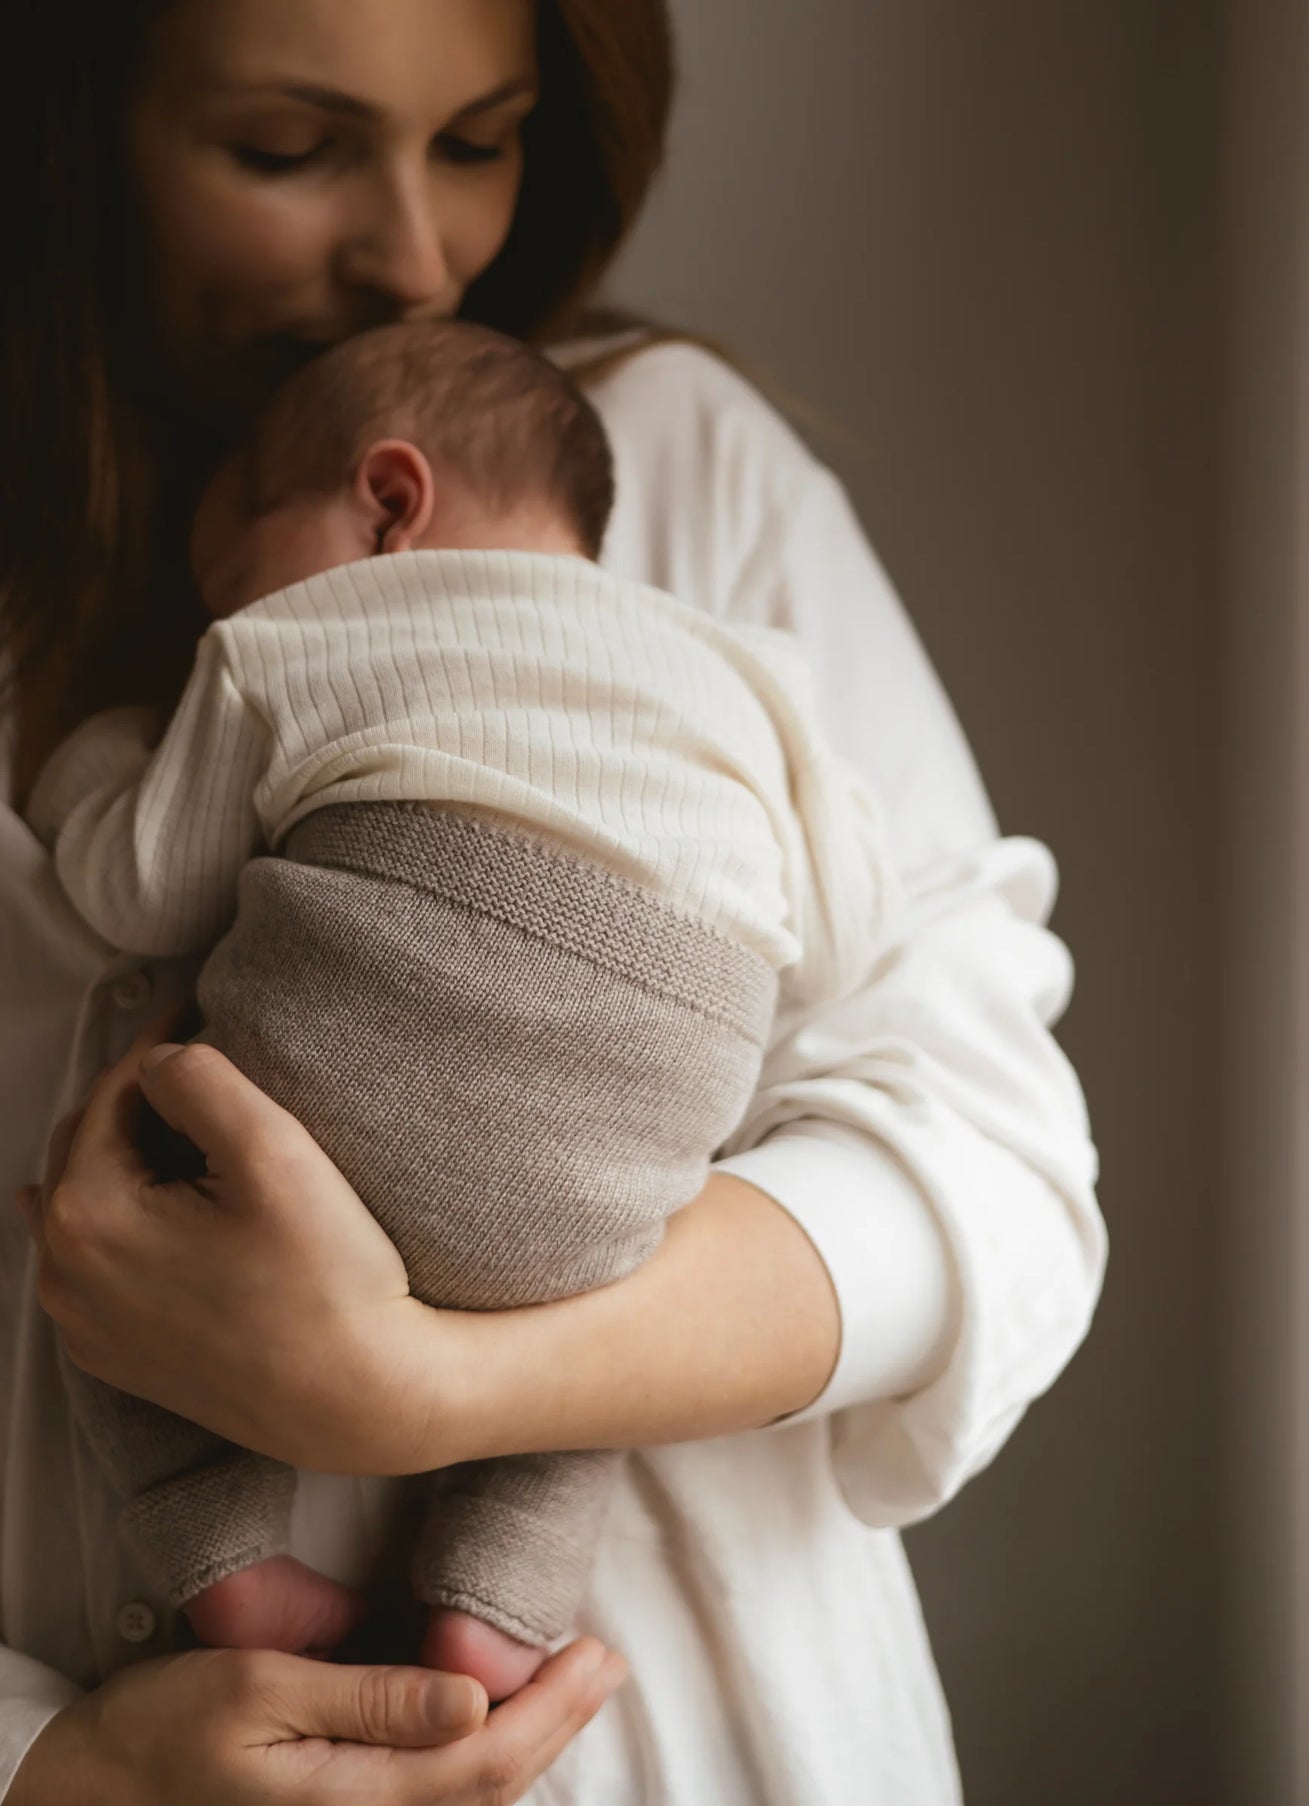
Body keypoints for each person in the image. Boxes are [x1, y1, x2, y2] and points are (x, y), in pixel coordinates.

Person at [0, 2, 1107, 1801]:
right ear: (71, 125)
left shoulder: (677, 457)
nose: (418, 258)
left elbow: (992, 1159)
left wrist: (422, 1386)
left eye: (480, 138)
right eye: (286, 148)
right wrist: (58, 1764)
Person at [29, 316, 898, 1707]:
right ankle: (495, 1608)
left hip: (337, 1115)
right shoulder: (754, 673)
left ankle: (226, 1558)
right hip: (636, 1137)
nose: (223, 619)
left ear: (386, 502)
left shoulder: (300, 635)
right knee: (585, 1354)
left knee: (117, 1237)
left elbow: (142, 888)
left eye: (229, 577)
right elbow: (848, 937)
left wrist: (96, 765)